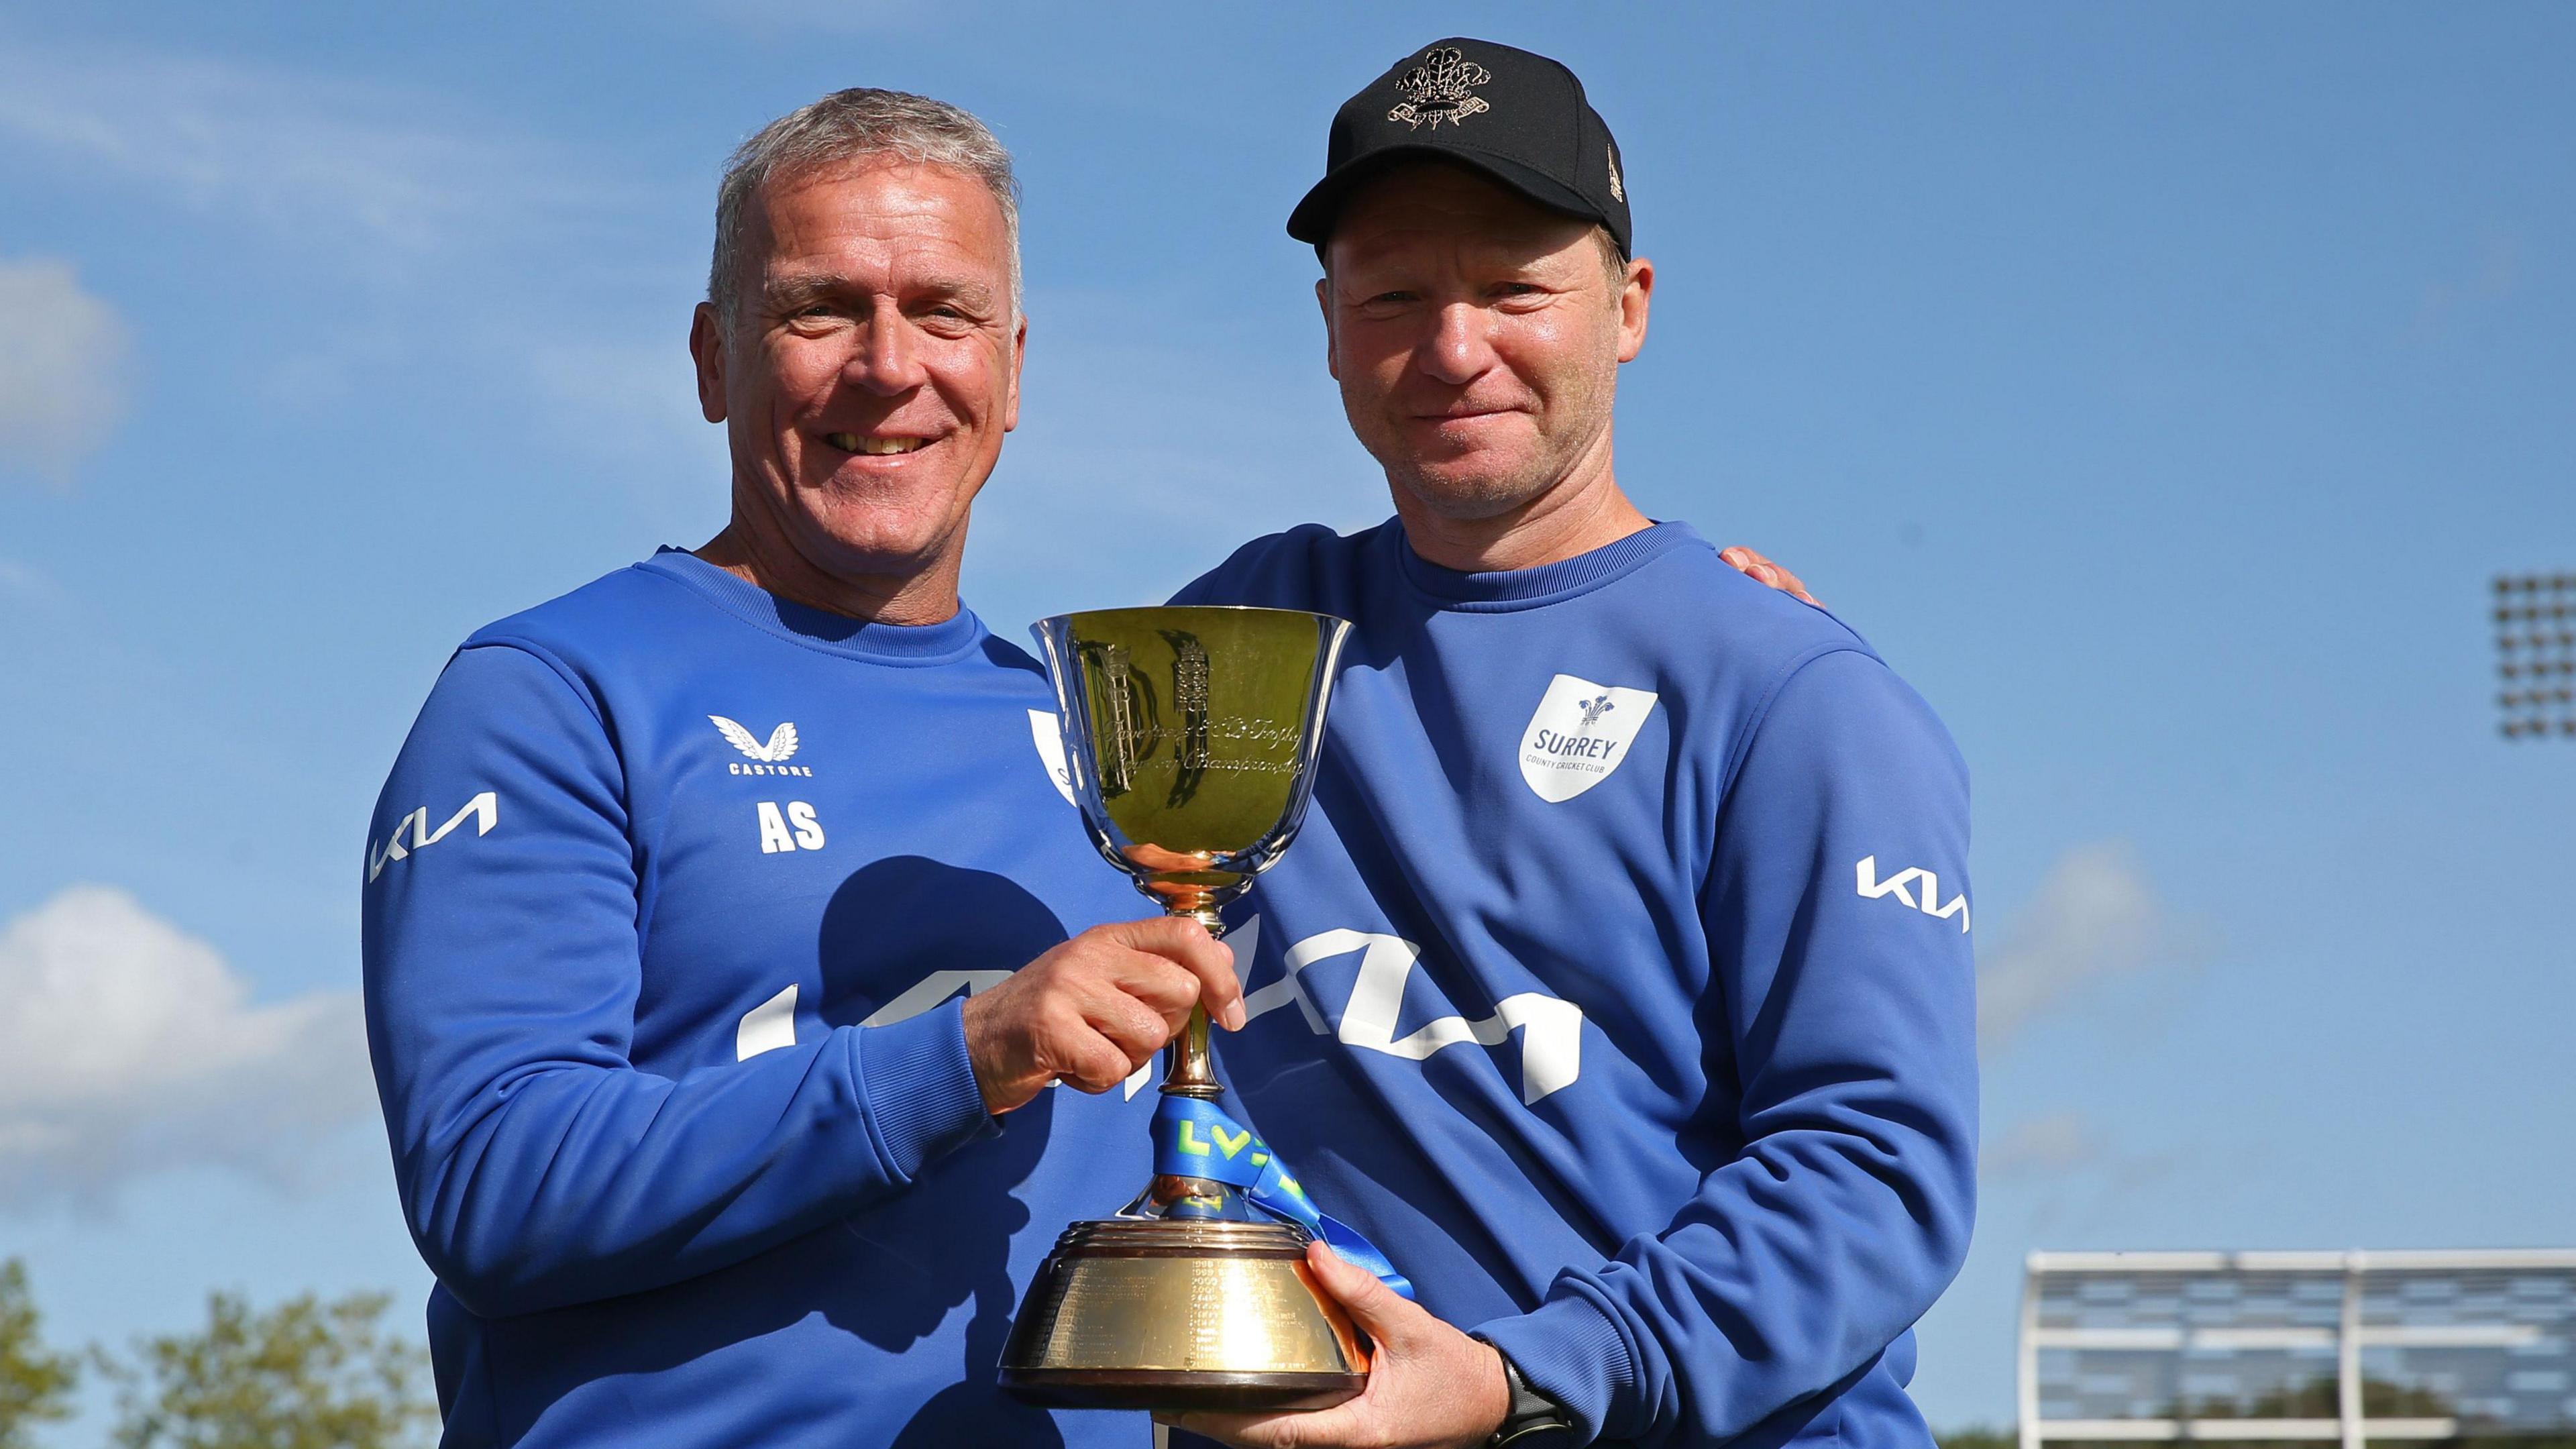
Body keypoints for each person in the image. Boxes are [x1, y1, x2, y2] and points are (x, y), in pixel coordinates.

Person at [360, 89, 1251, 1449]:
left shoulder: (1103, 748)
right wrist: (967, 1052)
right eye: (819, 309)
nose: (889, 367)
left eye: (945, 314)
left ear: (1011, 369)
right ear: (718, 360)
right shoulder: (555, 692)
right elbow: (497, 1181)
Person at [1163, 40, 1978, 1449]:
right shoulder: (1243, 638)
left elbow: (1878, 1175)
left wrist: (1518, 1381)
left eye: (1515, 288)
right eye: (1396, 295)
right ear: (1330, 321)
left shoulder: (1793, 694)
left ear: (1629, 309)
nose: (1454, 346)